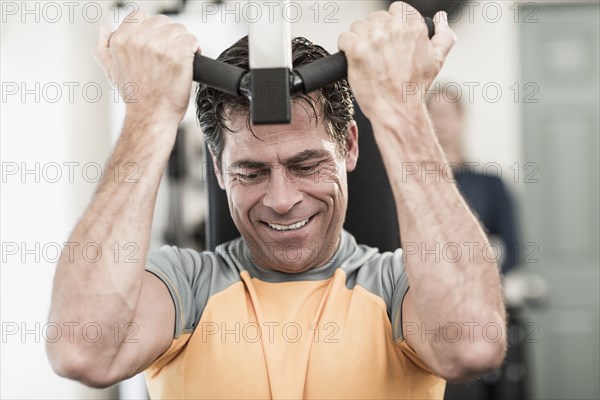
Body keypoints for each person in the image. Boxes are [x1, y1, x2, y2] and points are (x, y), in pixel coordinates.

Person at [46, 2, 507, 398]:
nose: (282, 200)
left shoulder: (397, 289)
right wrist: (147, 116)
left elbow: (471, 344)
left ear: (349, 146)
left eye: (306, 166)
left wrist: (401, 106)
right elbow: (82, 350)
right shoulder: (184, 289)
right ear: (218, 168)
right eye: (251, 171)